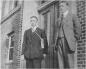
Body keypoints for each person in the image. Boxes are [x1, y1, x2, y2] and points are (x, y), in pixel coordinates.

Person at [55, 1, 81, 69]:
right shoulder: (59, 19)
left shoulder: (73, 16)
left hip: (68, 42)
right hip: (59, 42)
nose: (61, 8)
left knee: (70, 63)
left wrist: (74, 39)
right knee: (60, 63)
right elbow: (57, 31)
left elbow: (78, 28)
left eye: (62, 6)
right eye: (60, 6)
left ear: (67, 7)